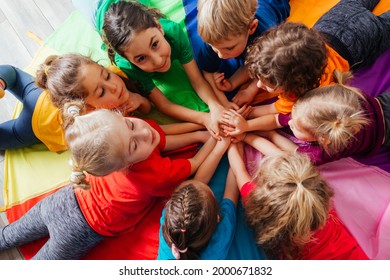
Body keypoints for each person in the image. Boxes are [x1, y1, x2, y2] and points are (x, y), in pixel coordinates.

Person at [0, 104, 217, 260]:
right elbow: (195, 163)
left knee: (8, 235)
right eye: (133, 145)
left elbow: (162, 139)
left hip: (59, 201)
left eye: (131, 124)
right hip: (80, 229)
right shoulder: (154, 176)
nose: (144, 131)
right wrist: (216, 140)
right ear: (123, 165)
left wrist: (198, 135)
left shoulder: (117, 139)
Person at [222, 0, 390, 135]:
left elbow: (272, 112)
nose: (259, 86)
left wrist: (245, 116)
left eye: (267, 85)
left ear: (293, 84)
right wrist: (250, 91)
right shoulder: (301, 46)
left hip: (361, 41)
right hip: (335, 21)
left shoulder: (297, 94)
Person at [97, 0, 226, 139]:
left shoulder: (174, 32)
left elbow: (197, 81)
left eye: (155, 44)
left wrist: (215, 106)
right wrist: (204, 118)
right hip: (99, 10)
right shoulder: (127, 66)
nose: (158, 61)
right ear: (128, 60)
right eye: (141, 58)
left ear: (159, 27)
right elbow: (163, 105)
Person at [227, 146, 369, 259]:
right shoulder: (315, 198)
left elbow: (239, 170)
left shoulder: (259, 203)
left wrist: (234, 138)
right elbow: (285, 158)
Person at [230, 70, 389, 166]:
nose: (290, 122)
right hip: (383, 103)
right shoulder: (313, 112)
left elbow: (296, 153)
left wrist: (270, 135)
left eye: (296, 128)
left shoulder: (328, 149)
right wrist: (246, 125)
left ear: (321, 138)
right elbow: (276, 119)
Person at [0, 54, 151, 151]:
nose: (114, 86)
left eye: (106, 76)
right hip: (37, 121)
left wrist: (141, 100)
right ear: (87, 106)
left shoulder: (110, 76)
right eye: (101, 92)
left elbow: (147, 110)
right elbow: (146, 134)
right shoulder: (100, 125)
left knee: (12, 73)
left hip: (42, 94)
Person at [197, 0, 290, 109]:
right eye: (214, 48)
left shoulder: (266, 39)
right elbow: (208, 71)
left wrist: (250, 91)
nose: (220, 55)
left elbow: (267, 69)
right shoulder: (214, 36)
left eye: (229, 48)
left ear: (252, 28)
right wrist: (224, 102)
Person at [157, 137, 239, 260]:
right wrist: (236, 144)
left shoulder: (169, 222)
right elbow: (233, 185)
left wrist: (219, 149)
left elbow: (196, 183)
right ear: (217, 217)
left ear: (170, 204)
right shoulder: (220, 236)